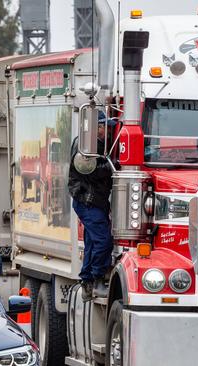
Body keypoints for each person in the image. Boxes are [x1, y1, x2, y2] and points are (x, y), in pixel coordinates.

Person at [68, 110, 116, 301]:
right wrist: (113, 167)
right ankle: (97, 280)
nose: (107, 131)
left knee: (91, 242)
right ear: (95, 127)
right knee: (104, 241)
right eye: (103, 126)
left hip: (93, 202)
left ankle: (87, 280)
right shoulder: (85, 145)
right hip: (88, 201)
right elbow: (90, 172)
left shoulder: (95, 144)